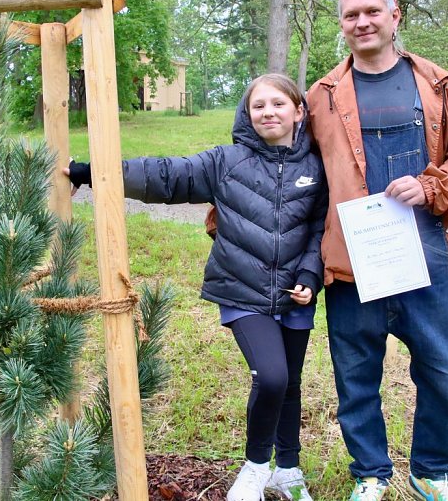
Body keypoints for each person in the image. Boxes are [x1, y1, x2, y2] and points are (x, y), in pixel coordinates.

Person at [64, 74, 328, 501]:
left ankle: (289, 471)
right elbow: (168, 176)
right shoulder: (227, 161)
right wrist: (96, 173)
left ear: (299, 111)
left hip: (296, 296)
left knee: (291, 383)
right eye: (257, 106)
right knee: (273, 376)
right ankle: (257, 469)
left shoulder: (316, 167)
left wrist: (310, 277)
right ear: (247, 115)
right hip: (242, 291)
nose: (268, 112)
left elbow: (319, 228)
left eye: (278, 104)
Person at [305, 0, 448, 501]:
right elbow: (298, 170)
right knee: (355, 371)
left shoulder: (436, 83)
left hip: (425, 251)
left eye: (372, 12)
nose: (362, 22)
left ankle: (431, 470)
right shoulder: (322, 95)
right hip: (352, 258)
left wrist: (431, 188)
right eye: (350, 15)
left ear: (394, 15)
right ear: (341, 24)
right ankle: (370, 474)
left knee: (442, 366)